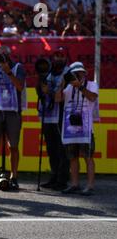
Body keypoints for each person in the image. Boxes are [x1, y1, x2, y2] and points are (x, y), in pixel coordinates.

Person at [0, 45, 26, 190]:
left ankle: (14, 176)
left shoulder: (17, 67)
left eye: (4, 55)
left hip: (13, 111)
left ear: (9, 55)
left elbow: (20, 86)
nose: (2, 57)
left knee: (13, 146)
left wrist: (9, 72)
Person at [55, 62, 98, 196]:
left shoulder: (91, 84)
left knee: (88, 157)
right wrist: (62, 83)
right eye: (75, 73)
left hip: (85, 129)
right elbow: (57, 100)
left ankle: (90, 186)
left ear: (85, 73)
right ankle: (75, 184)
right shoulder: (68, 87)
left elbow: (92, 97)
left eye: (80, 72)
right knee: (73, 158)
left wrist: (80, 87)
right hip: (70, 129)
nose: (78, 75)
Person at [37, 47, 70, 190]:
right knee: (51, 149)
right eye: (56, 56)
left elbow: (62, 96)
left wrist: (48, 91)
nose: (58, 59)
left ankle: (62, 180)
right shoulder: (49, 72)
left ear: (66, 58)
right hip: (48, 116)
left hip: (62, 115)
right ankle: (54, 176)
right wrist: (41, 85)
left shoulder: (69, 73)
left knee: (62, 149)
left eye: (61, 56)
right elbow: (39, 91)